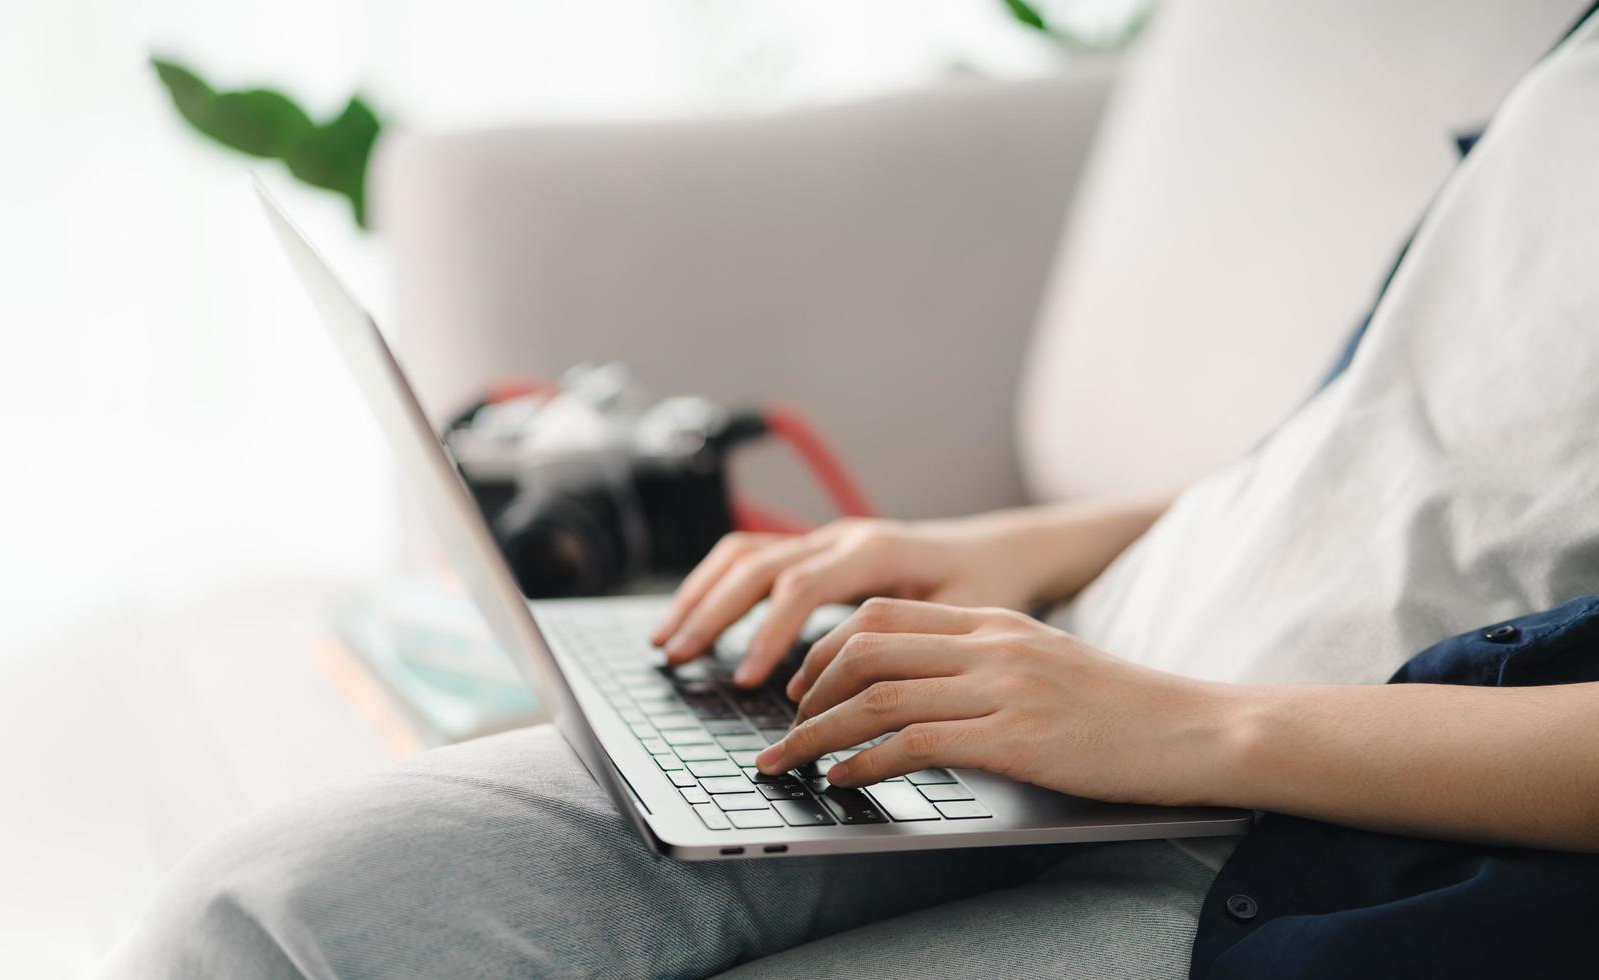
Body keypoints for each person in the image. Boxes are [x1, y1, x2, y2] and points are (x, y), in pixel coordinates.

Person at [100, 8, 1599, 978]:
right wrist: (1006, 550)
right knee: (273, 916)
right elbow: (1409, 443)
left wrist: (1199, 729)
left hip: (1338, 841)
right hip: (1074, 677)